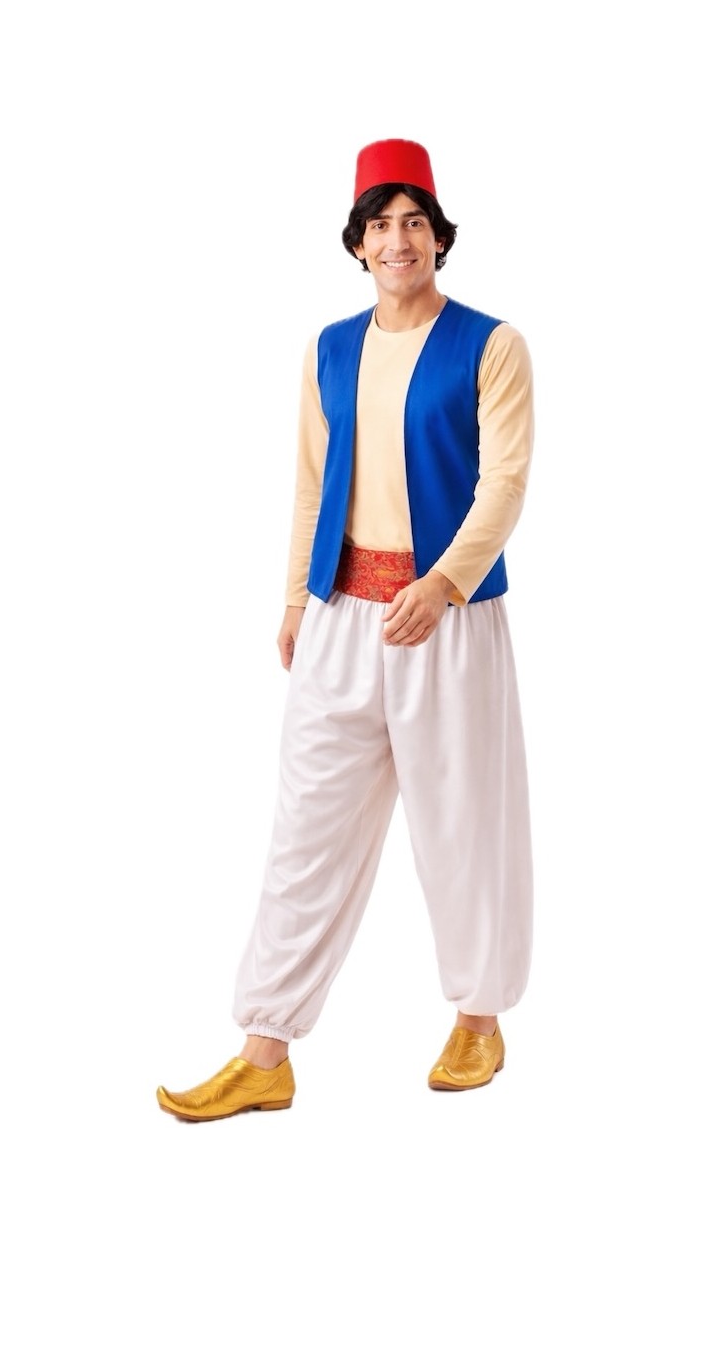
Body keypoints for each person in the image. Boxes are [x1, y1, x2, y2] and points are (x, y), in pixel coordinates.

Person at [156, 138, 534, 1121]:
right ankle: (265, 1050)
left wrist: (443, 584)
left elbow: (503, 485)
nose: (397, 240)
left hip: (445, 621)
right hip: (340, 616)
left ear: (439, 237)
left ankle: (480, 1018)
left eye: (414, 222)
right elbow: (311, 481)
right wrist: (296, 596)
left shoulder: (491, 346)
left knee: (463, 825)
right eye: (379, 224)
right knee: (305, 832)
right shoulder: (329, 348)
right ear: (357, 243)